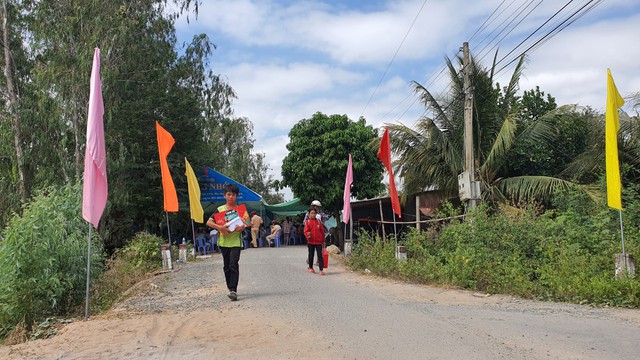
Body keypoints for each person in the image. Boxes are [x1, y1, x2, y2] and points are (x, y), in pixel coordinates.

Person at [206, 183, 249, 301]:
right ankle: (230, 287)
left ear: (237, 196)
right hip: (224, 242)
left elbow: (247, 223)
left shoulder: (240, 209)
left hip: (236, 242)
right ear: (224, 196)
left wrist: (242, 227)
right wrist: (219, 228)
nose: (231, 197)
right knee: (226, 266)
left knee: (233, 264)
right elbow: (208, 222)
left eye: (233, 195)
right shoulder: (219, 209)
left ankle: (233, 290)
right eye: (229, 194)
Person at [304, 208, 326, 275]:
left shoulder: (319, 222)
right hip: (310, 242)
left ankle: (321, 270)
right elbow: (305, 231)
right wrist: (308, 235)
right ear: (309, 214)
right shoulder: (308, 222)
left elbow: (322, 232)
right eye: (311, 213)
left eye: (314, 213)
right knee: (311, 255)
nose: (313, 214)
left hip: (319, 242)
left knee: (320, 256)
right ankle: (310, 267)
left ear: (316, 214)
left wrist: (323, 240)